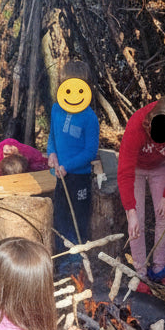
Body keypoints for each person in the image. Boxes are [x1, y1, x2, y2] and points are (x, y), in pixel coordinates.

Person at [117, 96, 165, 289]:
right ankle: (140, 273)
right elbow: (125, 171)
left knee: (164, 216)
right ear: (150, 121)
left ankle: (159, 269)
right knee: (137, 222)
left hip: (160, 167)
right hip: (135, 168)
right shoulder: (137, 124)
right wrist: (130, 210)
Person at [48, 60, 101, 275]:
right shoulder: (56, 109)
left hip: (78, 177)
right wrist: (51, 153)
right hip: (60, 176)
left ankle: (78, 261)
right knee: (61, 216)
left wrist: (67, 166)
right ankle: (63, 260)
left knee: (78, 218)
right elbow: (52, 136)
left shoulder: (90, 117)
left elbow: (90, 152)